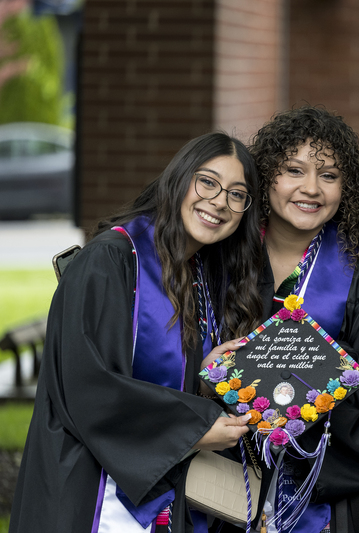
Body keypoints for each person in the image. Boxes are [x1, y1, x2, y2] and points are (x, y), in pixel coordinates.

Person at [10, 132, 266, 533]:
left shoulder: (195, 273)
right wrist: (192, 428)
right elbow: (86, 386)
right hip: (89, 494)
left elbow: (155, 374)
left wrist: (203, 376)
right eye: (208, 182)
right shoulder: (109, 260)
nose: (219, 201)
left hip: (155, 497)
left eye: (237, 194)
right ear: (179, 179)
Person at [249, 105, 359, 533]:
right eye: (294, 170)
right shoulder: (228, 263)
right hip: (227, 484)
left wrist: (302, 387)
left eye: (329, 175)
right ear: (266, 176)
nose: (311, 188)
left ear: (346, 188)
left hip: (332, 502)